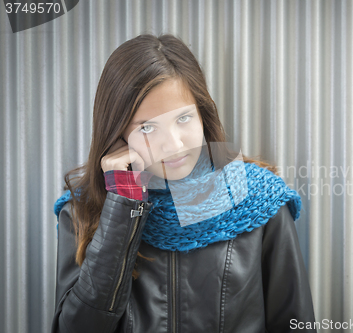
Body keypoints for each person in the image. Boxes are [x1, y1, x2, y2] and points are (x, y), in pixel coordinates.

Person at [51, 33, 316, 333]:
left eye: (184, 119)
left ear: (202, 113)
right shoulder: (83, 212)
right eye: (148, 127)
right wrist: (123, 205)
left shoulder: (259, 200)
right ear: (118, 134)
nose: (173, 145)